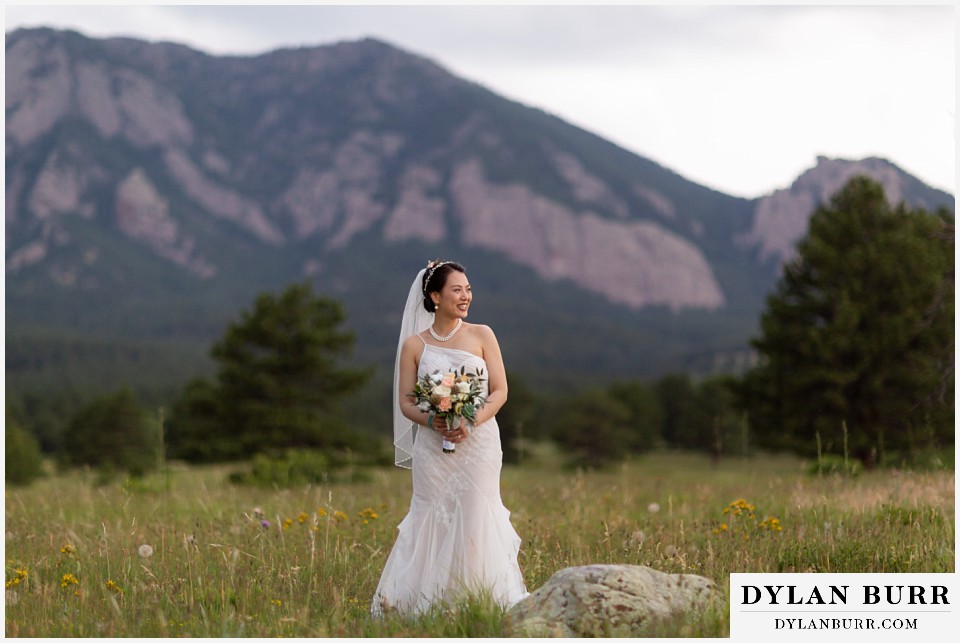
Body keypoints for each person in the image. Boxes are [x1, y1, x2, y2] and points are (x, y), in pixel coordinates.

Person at [371, 259, 528, 615]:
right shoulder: (415, 345)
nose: (466, 296)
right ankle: (425, 605)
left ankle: (479, 602)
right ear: (434, 296)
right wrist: (434, 420)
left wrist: (471, 421)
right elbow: (406, 401)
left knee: (475, 514)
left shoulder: (482, 334)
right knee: (431, 516)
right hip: (433, 447)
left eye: (468, 289)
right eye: (457, 289)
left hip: (479, 444)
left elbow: (500, 391)